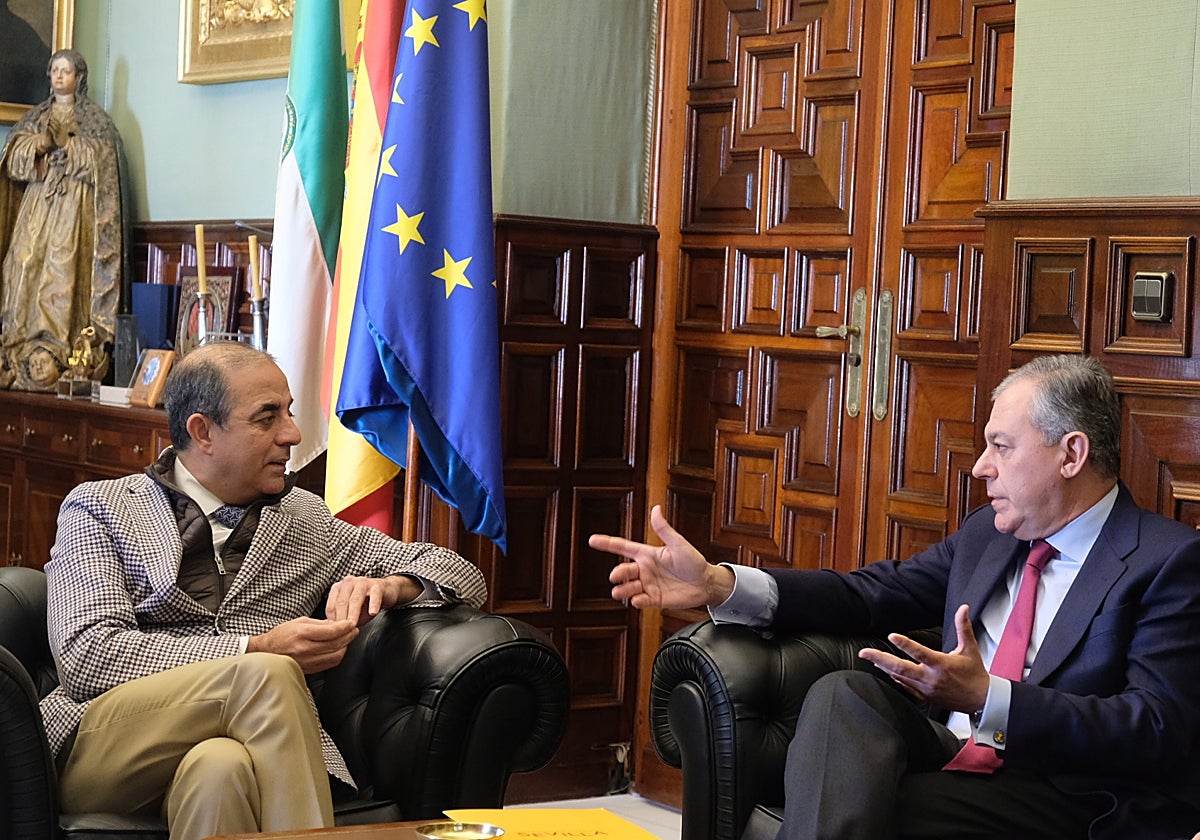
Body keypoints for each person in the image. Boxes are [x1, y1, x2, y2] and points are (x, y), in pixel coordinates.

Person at [591, 354, 1200, 839]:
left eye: (1002, 446)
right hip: (951, 750)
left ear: (1071, 454)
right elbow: (872, 594)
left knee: (866, 804)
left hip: (1065, 789)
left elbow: (1156, 728)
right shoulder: (988, 535)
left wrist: (991, 699)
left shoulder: (1166, 561)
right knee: (843, 692)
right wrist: (719, 584)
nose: (980, 467)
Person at [43, 341, 488, 840]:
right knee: (267, 673)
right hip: (104, 746)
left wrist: (392, 585)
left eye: (289, 413)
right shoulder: (101, 507)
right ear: (202, 432)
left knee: (221, 770)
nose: (292, 434)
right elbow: (87, 656)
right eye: (267, 417)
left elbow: (462, 574)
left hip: (235, 750)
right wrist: (254, 650)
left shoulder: (304, 519)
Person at [0, 48, 125, 391]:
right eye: (54, 70)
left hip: (73, 204)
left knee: (62, 268)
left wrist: (73, 150)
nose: (58, 76)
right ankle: (17, 345)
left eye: (65, 70)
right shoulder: (34, 118)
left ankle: (56, 348)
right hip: (37, 201)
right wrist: (37, 146)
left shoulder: (95, 121)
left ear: (78, 78)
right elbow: (12, 161)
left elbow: (104, 162)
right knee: (21, 262)